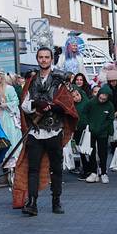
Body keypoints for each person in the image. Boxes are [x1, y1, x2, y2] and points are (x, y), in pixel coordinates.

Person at [15, 47, 79, 216]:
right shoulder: (31, 80)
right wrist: (35, 105)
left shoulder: (59, 80)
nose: (43, 60)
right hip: (36, 132)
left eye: (46, 57)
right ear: (37, 59)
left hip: (54, 130)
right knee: (33, 168)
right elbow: (24, 104)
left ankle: (56, 201)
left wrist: (52, 106)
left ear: (51, 59)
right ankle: (32, 202)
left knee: (56, 168)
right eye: (41, 57)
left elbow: (70, 102)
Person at [82, 85, 115, 184]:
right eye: (101, 97)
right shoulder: (91, 102)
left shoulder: (109, 106)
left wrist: (105, 129)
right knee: (91, 152)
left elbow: (110, 119)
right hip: (91, 132)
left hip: (103, 133)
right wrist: (89, 125)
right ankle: (93, 172)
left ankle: (103, 172)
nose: (102, 99)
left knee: (103, 153)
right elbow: (84, 113)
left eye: (105, 98)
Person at [0, 68, 22, 159]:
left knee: (8, 138)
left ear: (2, 77)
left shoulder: (9, 88)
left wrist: (4, 105)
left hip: (7, 117)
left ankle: (10, 164)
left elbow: (16, 102)